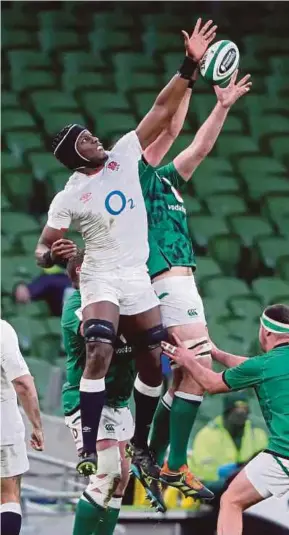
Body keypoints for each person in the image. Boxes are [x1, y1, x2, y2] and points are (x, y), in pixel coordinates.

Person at [35, 19, 217, 478]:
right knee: (98, 347)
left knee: (153, 358)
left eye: (92, 135)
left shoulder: (123, 156)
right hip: (99, 274)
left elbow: (161, 110)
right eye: (85, 139)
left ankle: (140, 445)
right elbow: (43, 249)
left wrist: (189, 67)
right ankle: (90, 447)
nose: (95, 139)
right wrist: (51, 257)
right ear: (75, 155)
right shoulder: (69, 195)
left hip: (135, 274)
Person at [130, 69, 251, 500]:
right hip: (167, 280)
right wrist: (190, 76)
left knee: (185, 374)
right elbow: (175, 127)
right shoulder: (137, 179)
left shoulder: (167, 182)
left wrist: (221, 106)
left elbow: (198, 146)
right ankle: (173, 461)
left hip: (181, 283)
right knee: (199, 368)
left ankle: (152, 454)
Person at [62, 251, 166, 535]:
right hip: (87, 401)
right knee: (106, 474)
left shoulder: (128, 302)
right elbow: (94, 331)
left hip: (119, 402)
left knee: (120, 481)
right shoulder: (78, 303)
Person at [162, 303, 289, 535]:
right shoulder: (269, 365)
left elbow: (212, 384)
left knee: (231, 500)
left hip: (284, 454)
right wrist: (216, 353)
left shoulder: (265, 365)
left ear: (266, 331)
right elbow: (250, 367)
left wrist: (187, 359)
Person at [1, 319, 44, 535]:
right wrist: (36, 426)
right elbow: (23, 384)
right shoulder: (2, 331)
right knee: (8, 494)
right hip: (3, 430)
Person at [189, 391, 268, 488]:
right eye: (237, 410)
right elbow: (201, 471)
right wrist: (225, 474)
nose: (242, 415)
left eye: (245, 410)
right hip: (214, 487)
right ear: (227, 413)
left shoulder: (258, 435)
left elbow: (266, 467)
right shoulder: (207, 435)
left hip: (249, 485)